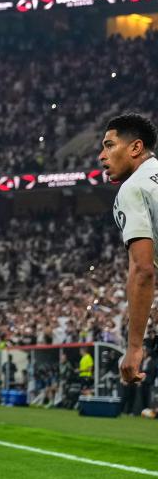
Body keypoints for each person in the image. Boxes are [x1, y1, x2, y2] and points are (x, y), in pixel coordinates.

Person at [99, 113, 158, 385]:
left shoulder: (133, 188)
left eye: (109, 145)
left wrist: (134, 347)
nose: (102, 156)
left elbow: (143, 268)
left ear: (136, 147)